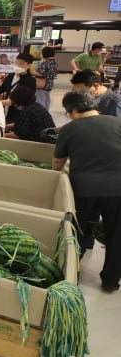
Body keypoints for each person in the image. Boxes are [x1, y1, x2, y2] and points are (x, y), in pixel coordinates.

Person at [53, 91, 121, 292]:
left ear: (71, 110)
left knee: (78, 232)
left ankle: (72, 275)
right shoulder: (117, 123)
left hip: (84, 189)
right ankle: (110, 281)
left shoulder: (70, 129)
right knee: (116, 234)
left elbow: (58, 162)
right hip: (118, 189)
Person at [0, 52, 36, 124]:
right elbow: (0, 90)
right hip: (5, 110)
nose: (17, 65)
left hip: (19, 113)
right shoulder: (11, 76)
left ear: (29, 65)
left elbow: (18, 101)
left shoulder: (30, 81)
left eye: (21, 64)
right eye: (16, 62)